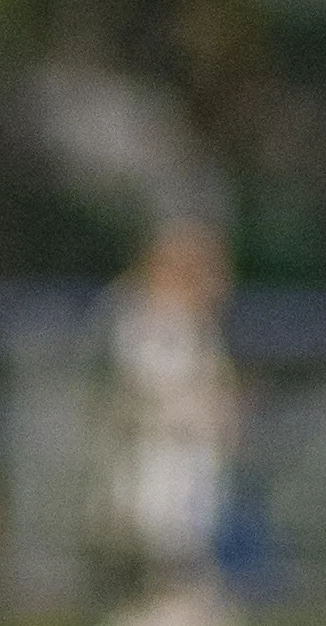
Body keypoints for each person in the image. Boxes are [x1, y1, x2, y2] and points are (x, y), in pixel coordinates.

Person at [90, 220, 240, 626]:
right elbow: (163, 400)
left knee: (180, 600)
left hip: (180, 487)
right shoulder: (152, 322)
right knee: (178, 600)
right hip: (158, 488)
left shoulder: (181, 325)